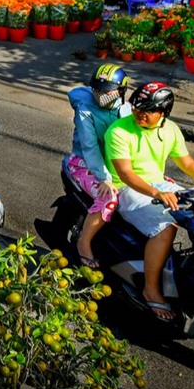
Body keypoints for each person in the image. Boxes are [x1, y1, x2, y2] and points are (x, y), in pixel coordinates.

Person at [105, 82, 194, 322]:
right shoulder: (119, 131)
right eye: (137, 107)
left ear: (163, 113)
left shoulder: (171, 129)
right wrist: (155, 192)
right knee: (166, 228)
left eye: (148, 110)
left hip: (159, 184)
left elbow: (188, 164)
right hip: (128, 190)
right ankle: (151, 289)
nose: (140, 113)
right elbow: (126, 174)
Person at [65, 65, 132, 268]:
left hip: (115, 163)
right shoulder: (85, 110)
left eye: (106, 91)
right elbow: (89, 146)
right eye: (97, 90)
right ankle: (84, 243)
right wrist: (105, 178)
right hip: (84, 163)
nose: (100, 95)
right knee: (109, 198)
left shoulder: (126, 110)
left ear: (121, 91)